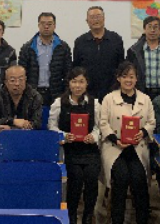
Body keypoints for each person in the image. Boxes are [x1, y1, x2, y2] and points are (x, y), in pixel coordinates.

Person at [100, 62, 156, 224]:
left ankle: (142, 220)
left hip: (138, 148)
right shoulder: (109, 98)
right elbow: (103, 123)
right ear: (118, 78)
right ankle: (117, 220)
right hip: (114, 148)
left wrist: (143, 132)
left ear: (137, 79)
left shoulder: (145, 99)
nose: (128, 80)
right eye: (124, 76)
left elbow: (151, 122)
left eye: (132, 76)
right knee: (121, 178)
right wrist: (115, 139)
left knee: (139, 180)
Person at [48, 68, 101, 224]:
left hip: (90, 150)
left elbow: (99, 127)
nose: (78, 86)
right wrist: (64, 136)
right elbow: (51, 127)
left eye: (81, 82)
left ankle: (87, 216)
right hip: (69, 150)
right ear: (69, 83)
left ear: (87, 83)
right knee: (75, 178)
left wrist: (94, 136)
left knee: (92, 177)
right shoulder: (59, 103)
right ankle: (71, 216)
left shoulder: (94, 103)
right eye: (74, 81)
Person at [19, 12, 72, 106]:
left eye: (49, 24)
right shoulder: (27, 48)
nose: (46, 27)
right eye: (43, 23)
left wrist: (66, 93)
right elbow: (22, 73)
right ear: (38, 25)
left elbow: (68, 73)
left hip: (56, 93)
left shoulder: (63, 47)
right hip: (33, 92)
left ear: (54, 26)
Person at [73, 6, 125, 102]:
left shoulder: (116, 39)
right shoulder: (80, 41)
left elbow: (121, 66)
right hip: (87, 93)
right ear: (87, 21)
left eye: (98, 16)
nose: (95, 20)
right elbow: (76, 68)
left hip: (112, 91)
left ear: (104, 19)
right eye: (92, 17)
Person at [126, 15, 160, 99]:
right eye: (149, 27)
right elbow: (129, 74)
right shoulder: (134, 51)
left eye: (155, 27)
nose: (152, 30)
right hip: (141, 93)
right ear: (144, 29)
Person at [0, 65, 43, 133]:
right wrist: (12, 121)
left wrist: (11, 128)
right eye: (12, 80)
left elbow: (37, 124)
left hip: (28, 137)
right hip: (2, 136)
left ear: (25, 79)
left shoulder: (35, 97)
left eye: (21, 80)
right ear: (6, 82)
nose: (17, 84)